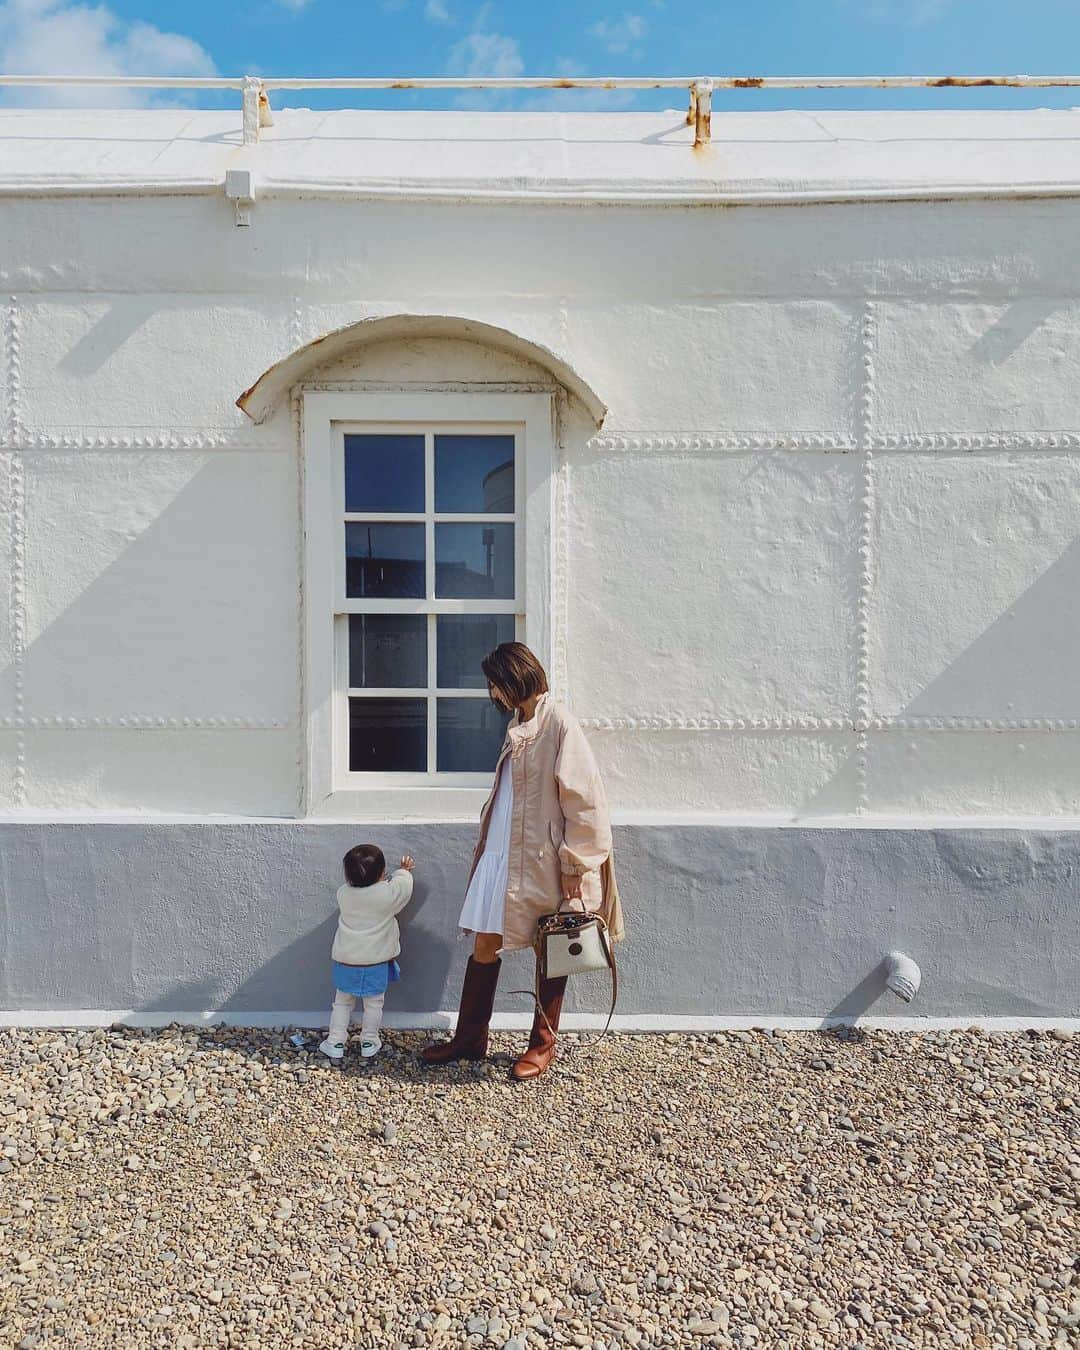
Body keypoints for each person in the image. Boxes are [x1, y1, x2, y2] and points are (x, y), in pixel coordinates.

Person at [421, 642, 624, 1081]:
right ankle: (470, 1039)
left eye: (495, 683)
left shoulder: (560, 724)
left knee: (551, 947)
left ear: (512, 679)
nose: (492, 693)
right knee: (484, 943)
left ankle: (541, 1045)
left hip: (545, 860)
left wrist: (576, 865)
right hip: (502, 853)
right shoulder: (522, 722)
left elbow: (585, 801)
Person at [319, 846, 415, 1061]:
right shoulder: (387, 894)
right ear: (382, 873)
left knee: (342, 1003)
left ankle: (335, 1041)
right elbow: (404, 888)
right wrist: (403, 871)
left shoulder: (343, 894)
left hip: (347, 961)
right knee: (374, 1004)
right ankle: (369, 1040)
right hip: (376, 962)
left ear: (347, 875)